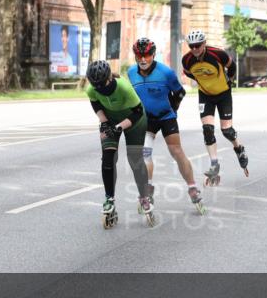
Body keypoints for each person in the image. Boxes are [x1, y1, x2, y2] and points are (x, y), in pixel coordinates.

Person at [127, 37, 205, 214]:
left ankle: (192, 187)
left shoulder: (166, 73)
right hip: (146, 120)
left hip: (166, 117)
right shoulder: (131, 72)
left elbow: (180, 92)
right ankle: (147, 190)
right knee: (145, 153)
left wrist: (173, 109)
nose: (143, 59)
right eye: (139, 56)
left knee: (176, 152)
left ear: (153, 54)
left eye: (147, 55)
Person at [85, 60, 153, 229]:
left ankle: (144, 196)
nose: (99, 88)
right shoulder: (91, 88)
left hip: (134, 120)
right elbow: (96, 104)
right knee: (108, 158)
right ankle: (109, 199)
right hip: (110, 119)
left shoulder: (123, 87)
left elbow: (138, 112)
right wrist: (104, 122)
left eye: (102, 85)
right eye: (96, 86)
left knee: (134, 159)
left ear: (109, 78)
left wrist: (119, 127)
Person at [181, 29, 248, 185]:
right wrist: (203, 80)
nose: (195, 49)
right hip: (205, 95)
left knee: (227, 131)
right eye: (192, 46)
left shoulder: (218, 54)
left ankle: (239, 148)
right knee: (207, 130)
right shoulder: (187, 60)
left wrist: (229, 80)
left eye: (198, 45)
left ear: (204, 43)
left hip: (223, 93)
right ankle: (214, 164)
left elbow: (232, 66)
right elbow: (189, 73)